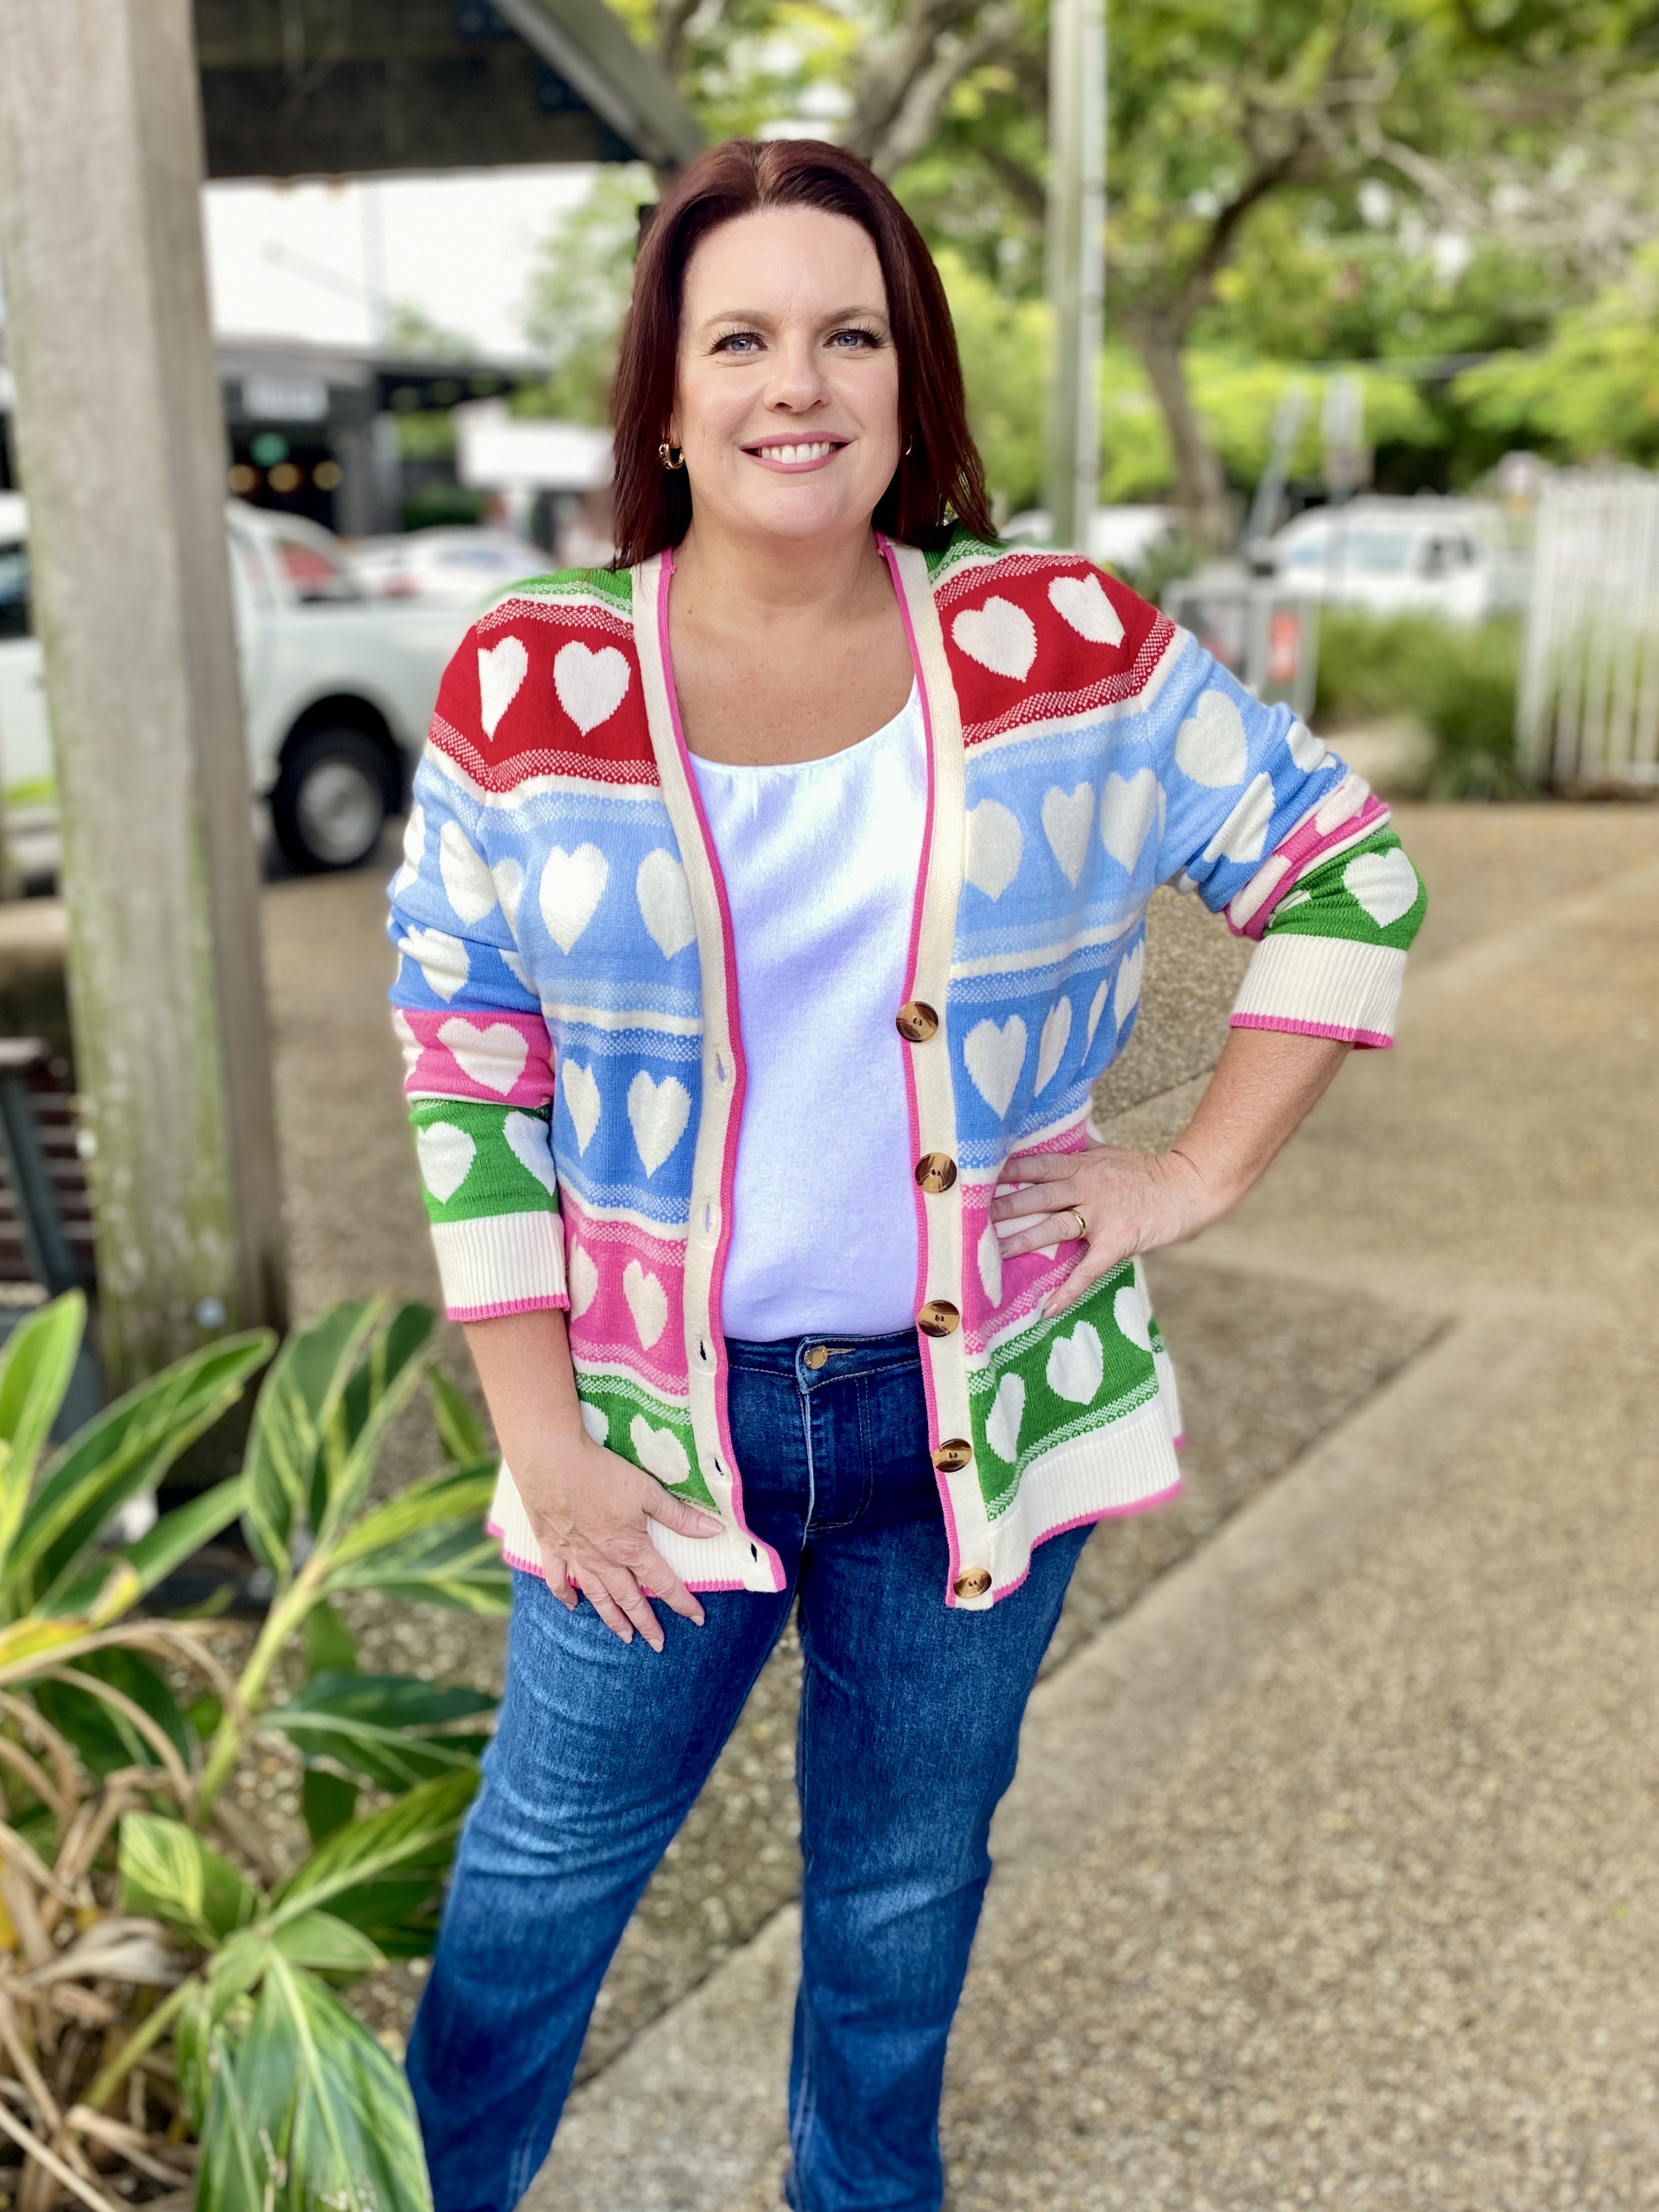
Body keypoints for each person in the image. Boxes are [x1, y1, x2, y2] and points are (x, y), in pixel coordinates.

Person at [388, 138, 1425, 2212]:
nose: (797, 383)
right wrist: (543, 1442)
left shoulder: (1059, 643)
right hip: (645, 1429)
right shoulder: (534, 674)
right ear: (663, 397)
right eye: (740, 340)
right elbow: (466, 1057)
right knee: (534, 1890)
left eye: (847, 334)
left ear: (907, 374)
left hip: (974, 1415)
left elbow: (1343, 870)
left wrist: (1189, 1176)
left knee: (897, 1898)